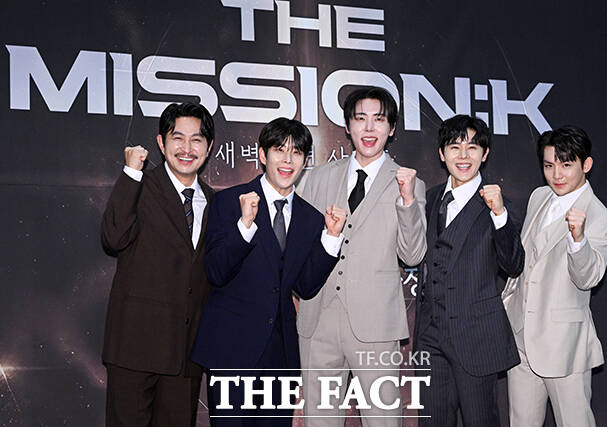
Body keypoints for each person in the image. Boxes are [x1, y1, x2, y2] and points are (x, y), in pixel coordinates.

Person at [190, 117, 347, 426]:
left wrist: (330, 238)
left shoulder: (311, 217)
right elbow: (216, 272)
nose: (288, 160)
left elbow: (305, 286)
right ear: (262, 155)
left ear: (305, 161)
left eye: (297, 152)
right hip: (231, 352)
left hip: (281, 357)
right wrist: (244, 226)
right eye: (279, 150)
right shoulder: (228, 202)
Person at [297, 86, 427, 426]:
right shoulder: (317, 178)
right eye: (360, 119)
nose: (369, 129)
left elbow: (413, 254)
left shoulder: (410, 184)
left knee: (383, 419)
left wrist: (407, 202)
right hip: (319, 320)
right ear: (347, 125)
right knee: (319, 420)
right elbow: (301, 249)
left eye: (379, 120)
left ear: (392, 128)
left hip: (376, 326)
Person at [101, 102, 215, 426]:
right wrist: (131, 173)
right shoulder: (139, 186)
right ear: (161, 143)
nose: (187, 148)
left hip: (184, 358)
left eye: (196, 139)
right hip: (134, 350)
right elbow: (113, 237)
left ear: (208, 147)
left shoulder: (215, 201)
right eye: (178, 138)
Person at [413, 114, 524, 426]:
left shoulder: (499, 204)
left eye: (472, 148)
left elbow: (513, 264)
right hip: (430, 336)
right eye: (454, 147)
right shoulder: (429, 198)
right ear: (441, 153)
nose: (463, 156)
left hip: (476, 336)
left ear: (484, 154)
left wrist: (499, 214)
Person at [502, 126, 607, 427]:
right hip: (521, 337)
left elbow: (588, 278)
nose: (556, 175)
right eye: (549, 165)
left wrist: (578, 240)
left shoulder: (600, 217)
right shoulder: (539, 196)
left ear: (586, 164)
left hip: (564, 345)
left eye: (566, 165)